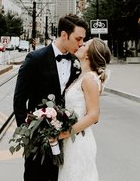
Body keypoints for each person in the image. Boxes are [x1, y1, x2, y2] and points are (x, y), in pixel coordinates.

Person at [13, 14, 88, 181]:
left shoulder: (77, 63)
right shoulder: (35, 59)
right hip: (38, 140)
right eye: (78, 38)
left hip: (67, 140)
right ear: (63, 35)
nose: (81, 43)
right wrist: (28, 135)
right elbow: (19, 100)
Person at [57, 37, 111, 181]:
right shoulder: (83, 76)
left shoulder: (89, 79)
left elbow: (94, 115)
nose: (80, 44)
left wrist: (65, 133)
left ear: (88, 54)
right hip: (72, 140)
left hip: (78, 141)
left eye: (85, 44)